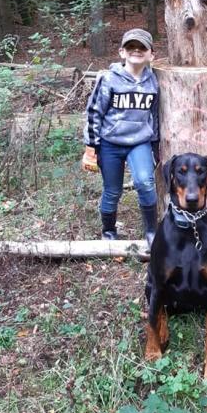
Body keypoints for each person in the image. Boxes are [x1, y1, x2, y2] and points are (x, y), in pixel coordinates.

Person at [81, 28, 159, 248]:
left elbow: (155, 116)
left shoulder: (153, 82)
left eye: (142, 47)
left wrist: (156, 146)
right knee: (112, 190)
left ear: (151, 54)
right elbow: (94, 112)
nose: (136, 50)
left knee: (145, 182)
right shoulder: (108, 79)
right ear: (122, 52)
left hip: (139, 143)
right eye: (131, 46)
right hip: (110, 144)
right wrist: (91, 147)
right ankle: (108, 231)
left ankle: (152, 232)